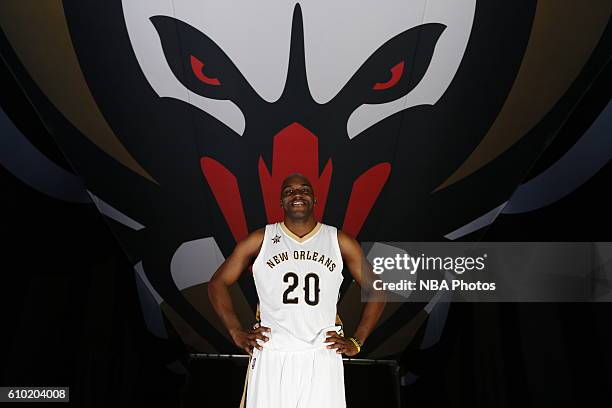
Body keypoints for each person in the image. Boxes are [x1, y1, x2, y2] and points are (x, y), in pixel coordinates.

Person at [208, 173, 386, 408]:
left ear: (315, 199)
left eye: (304, 190)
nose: (297, 195)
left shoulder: (338, 240)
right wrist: (235, 332)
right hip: (272, 350)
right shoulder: (261, 239)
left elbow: (378, 290)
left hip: (322, 353)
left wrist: (357, 340)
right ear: (281, 202)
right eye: (289, 191)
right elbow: (217, 283)